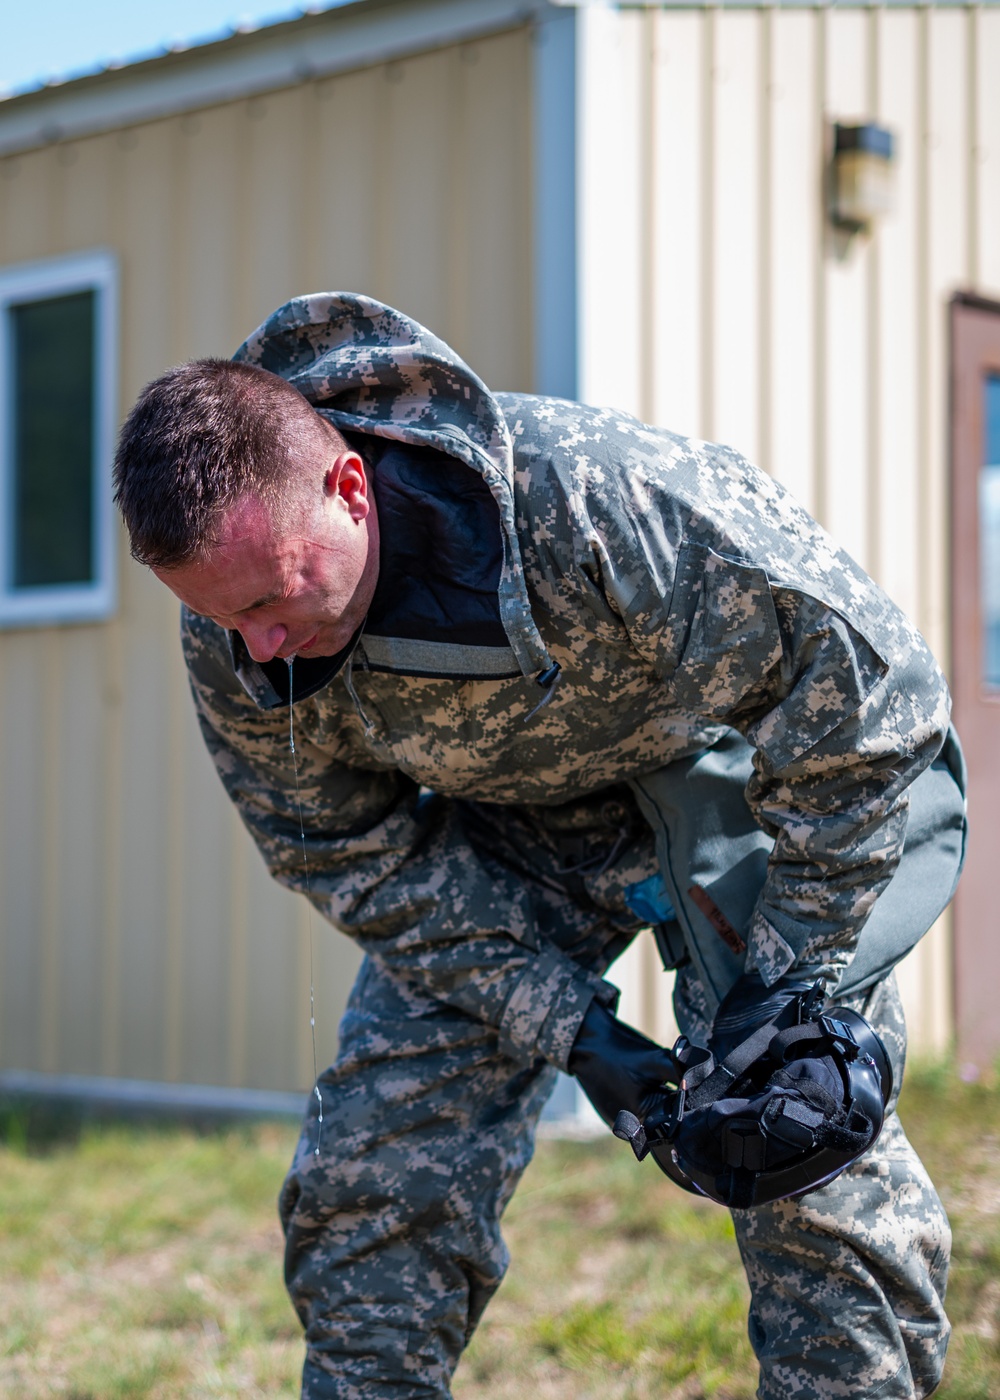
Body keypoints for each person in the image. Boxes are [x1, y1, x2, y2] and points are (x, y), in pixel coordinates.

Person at [113, 292, 967, 1400]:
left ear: (351, 488)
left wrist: (790, 984)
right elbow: (348, 852)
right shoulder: (236, 616)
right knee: (373, 1170)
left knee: (800, 1144)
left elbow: (869, 719)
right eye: (228, 619)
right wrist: (570, 1029)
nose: (259, 645)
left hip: (733, 793)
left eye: (274, 598)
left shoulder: (606, 503)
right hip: (509, 835)